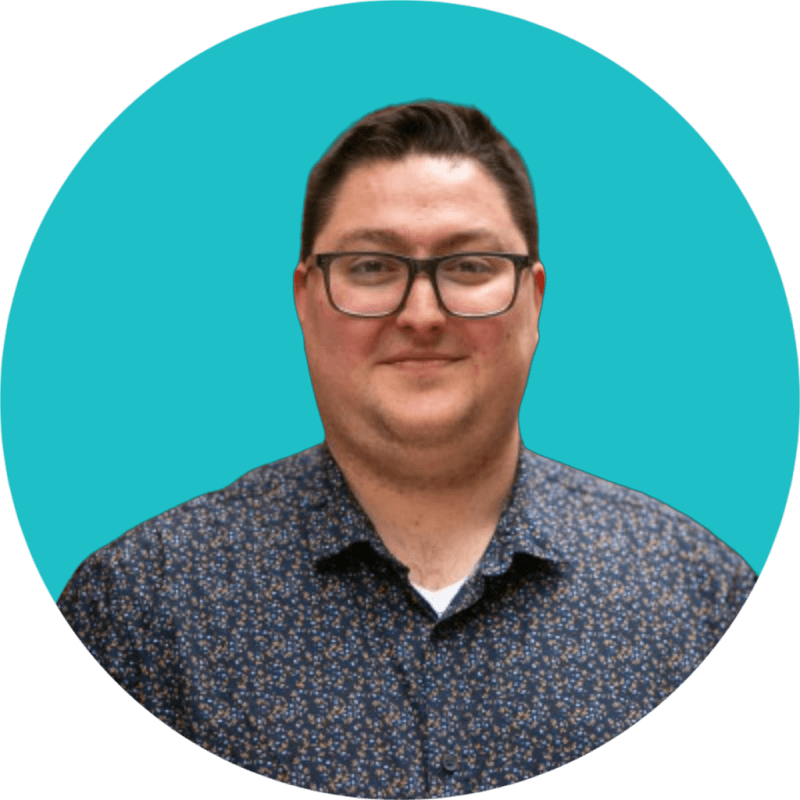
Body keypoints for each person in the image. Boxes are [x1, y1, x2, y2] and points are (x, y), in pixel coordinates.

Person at [58, 101, 756, 799]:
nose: (422, 315)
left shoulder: (701, 598)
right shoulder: (140, 608)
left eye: (470, 265)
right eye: (371, 267)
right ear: (305, 298)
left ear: (534, 298)